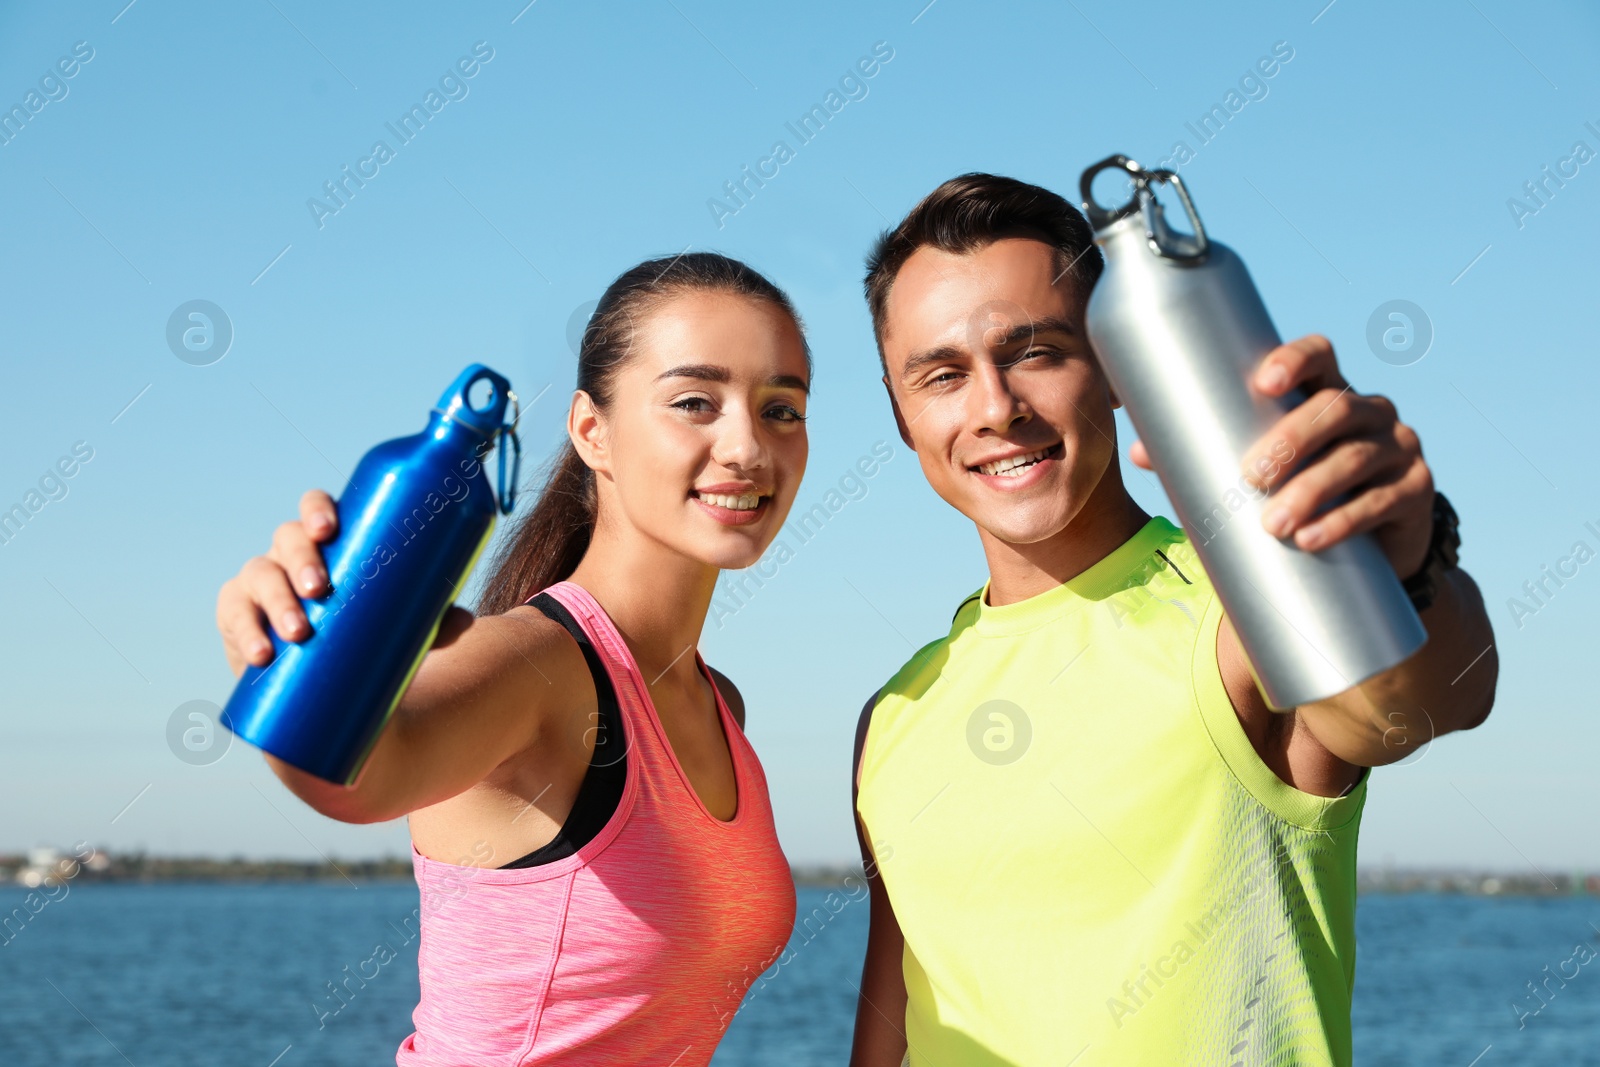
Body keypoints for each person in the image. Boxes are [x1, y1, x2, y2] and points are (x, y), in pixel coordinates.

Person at [846, 175, 1498, 1065]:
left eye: (1035, 351)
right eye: (944, 375)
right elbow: (891, 1028)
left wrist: (1409, 566)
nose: (996, 407)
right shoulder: (895, 714)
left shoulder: (1243, 610)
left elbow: (1414, 701)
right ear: (901, 413)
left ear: (1119, 368)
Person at [216, 253, 812, 1064]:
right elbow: (346, 774)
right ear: (591, 431)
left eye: (781, 408)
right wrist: (297, 634)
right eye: (694, 402)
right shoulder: (538, 668)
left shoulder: (719, 705)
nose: (746, 444)